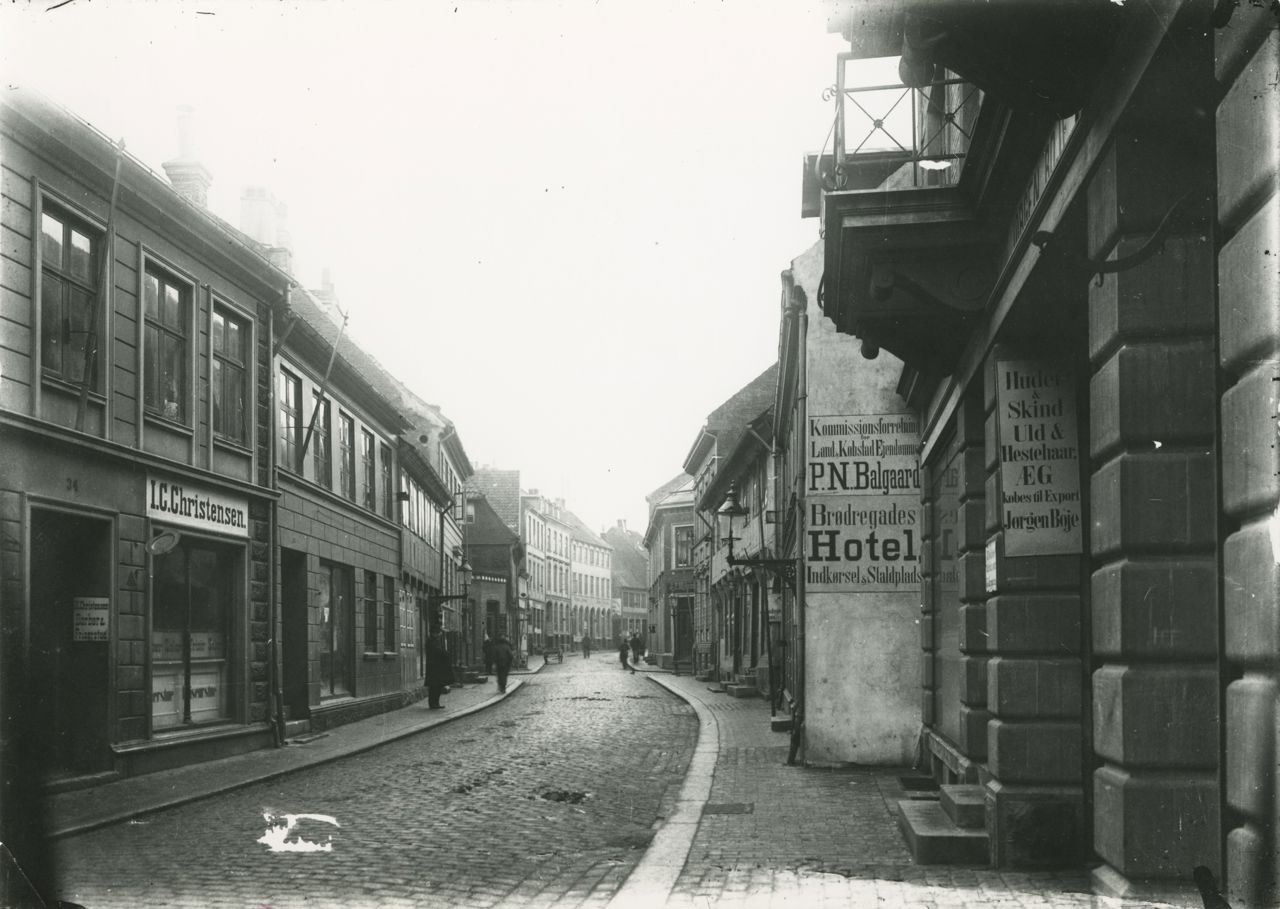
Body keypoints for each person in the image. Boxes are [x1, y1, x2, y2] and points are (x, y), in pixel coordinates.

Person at [424, 622, 453, 709]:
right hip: (434, 668)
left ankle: (435, 703)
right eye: (438, 632)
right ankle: (433, 704)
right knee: (434, 687)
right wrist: (446, 653)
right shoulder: (431, 641)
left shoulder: (435, 641)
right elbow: (437, 651)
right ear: (434, 633)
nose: (439, 634)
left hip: (436, 667)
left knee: (437, 686)